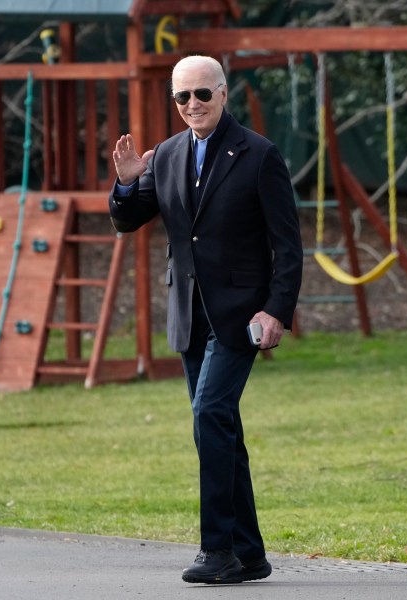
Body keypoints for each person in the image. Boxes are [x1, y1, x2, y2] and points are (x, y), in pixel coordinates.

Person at [109, 55, 303, 584]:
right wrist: (128, 184)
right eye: (182, 97)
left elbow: (287, 246)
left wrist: (277, 310)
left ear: (222, 94)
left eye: (202, 94)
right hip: (189, 314)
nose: (192, 105)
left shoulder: (259, 155)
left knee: (209, 416)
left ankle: (216, 550)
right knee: (219, 427)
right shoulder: (168, 155)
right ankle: (249, 553)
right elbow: (129, 220)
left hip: (242, 314)